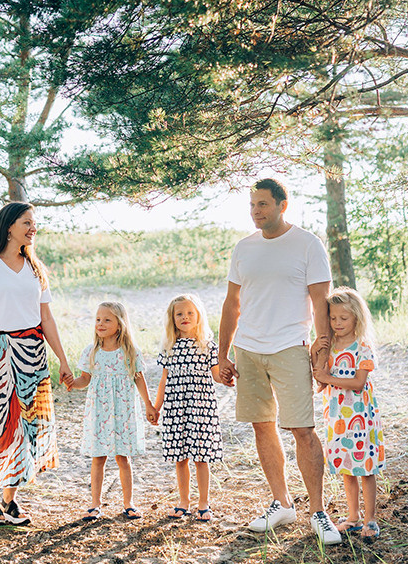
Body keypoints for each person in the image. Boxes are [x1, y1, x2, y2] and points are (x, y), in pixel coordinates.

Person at [216, 178, 343, 544]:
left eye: (263, 205)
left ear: (282, 205)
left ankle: (318, 512)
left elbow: (321, 302)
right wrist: (222, 354)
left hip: (290, 346)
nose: (256, 212)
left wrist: (323, 353)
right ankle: (282, 503)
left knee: (302, 430)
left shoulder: (307, 244)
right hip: (249, 349)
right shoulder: (244, 248)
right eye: (253, 205)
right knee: (261, 426)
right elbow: (231, 304)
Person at [0, 202, 74, 526]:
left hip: (33, 353)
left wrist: (63, 360)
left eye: (34, 224)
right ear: (9, 226)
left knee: (27, 427)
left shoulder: (35, 266)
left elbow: (47, 318)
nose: (32, 228)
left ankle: (10, 498)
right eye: (27, 222)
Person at [68, 302, 158, 521]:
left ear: (120, 324)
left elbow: (139, 378)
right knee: (98, 458)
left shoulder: (130, 352)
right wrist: (72, 382)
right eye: (98, 319)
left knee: (122, 457)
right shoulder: (91, 351)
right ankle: (95, 504)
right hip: (99, 412)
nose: (101, 324)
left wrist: (149, 404)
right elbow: (85, 380)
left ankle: (129, 503)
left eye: (107, 320)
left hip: (123, 411)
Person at [313, 287, 385, 539]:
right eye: (333, 318)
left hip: (360, 416)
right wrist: (315, 351)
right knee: (347, 468)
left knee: (365, 468)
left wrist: (328, 377)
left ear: (356, 317)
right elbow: (320, 379)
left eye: (343, 318)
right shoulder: (330, 346)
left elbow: (358, 383)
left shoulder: (363, 346)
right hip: (337, 417)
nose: (337, 323)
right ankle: (353, 517)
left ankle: (370, 519)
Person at [153, 294, 222, 522]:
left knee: (201, 457)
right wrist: (156, 406)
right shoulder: (169, 347)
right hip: (175, 407)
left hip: (201, 407)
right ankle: (184, 502)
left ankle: (204, 503)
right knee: (180, 457)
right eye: (179, 314)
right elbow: (163, 380)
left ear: (199, 316)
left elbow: (217, 375)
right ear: (172, 319)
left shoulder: (208, 346)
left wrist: (230, 375)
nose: (185, 317)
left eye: (190, 313)